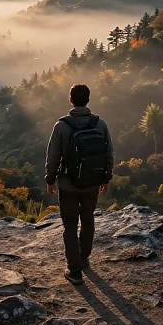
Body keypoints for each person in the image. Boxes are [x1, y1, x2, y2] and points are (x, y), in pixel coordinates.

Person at [45, 84, 113, 285]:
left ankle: (74, 271)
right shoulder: (100, 124)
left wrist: (50, 179)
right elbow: (109, 153)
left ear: (70, 99)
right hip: (92, 183)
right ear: (88, 100)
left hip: (68, 185)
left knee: (70, 225)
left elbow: (53, 156)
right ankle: (84, 258)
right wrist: (105, 178)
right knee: (88, 219)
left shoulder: (62, 126)